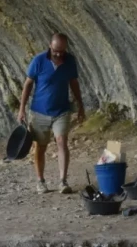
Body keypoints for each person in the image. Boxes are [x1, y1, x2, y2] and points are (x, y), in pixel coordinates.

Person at [18, 33, 85, 195]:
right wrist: (21, 109)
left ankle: (63, 181)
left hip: (61, 111)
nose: (58, 54)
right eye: (56, 50)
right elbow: (28, 85)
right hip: (39, 112)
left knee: (62, 141)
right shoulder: (39, 61)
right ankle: (41, 181)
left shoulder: (70, 61)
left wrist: (80, 105)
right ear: (50, 45)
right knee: (40, 147)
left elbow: (73, 83)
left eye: (62, 51)